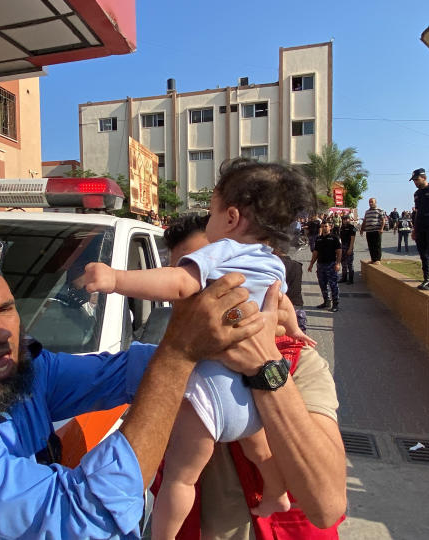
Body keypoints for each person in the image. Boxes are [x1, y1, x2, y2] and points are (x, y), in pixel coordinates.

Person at [0, 235, 304, 538]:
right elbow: (86, 515)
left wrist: (232, 342)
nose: (1, 332)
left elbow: (125, 371)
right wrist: (179, 355)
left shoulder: (21, 373)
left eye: (6, 309)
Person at [81, 159, 319, 538]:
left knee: (180, 476)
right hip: (251, 398)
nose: (207, 221)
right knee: (261, 452)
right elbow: (282, 305)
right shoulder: (273, 263)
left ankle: (162, 536)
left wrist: (115, 279)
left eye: (211, 211)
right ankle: (276, 494)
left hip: (210, 390)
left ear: (232, 217)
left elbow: (178, 283)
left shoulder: (221, 251)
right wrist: (293, 330)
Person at [162, 217, 346, 539]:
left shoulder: (300, 365)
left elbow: (327, 506)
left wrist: (264, 367)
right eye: (187, 283)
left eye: (213, 282)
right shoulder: (168, 363)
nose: (201, 300)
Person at [308, 223, 342, 312]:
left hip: (331, 264)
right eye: (322, 226)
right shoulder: (318, 239)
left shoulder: (334, 238)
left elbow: (339, 252)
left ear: (330, 227)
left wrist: (338, 263)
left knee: (333, 285)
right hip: (320, 265)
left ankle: (335, 304)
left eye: (326, 226)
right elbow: (315, 252)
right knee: (322, 285)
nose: (324, 228)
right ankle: (326, 302)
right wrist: (311, 264)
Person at [360, 198, 386, 263]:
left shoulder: (379, 210)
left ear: (375, 202)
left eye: (372, 202)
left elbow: (383, 220)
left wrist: (382, 228)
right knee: (370, 246)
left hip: (376, 231)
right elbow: (365, 221)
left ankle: (378, 260)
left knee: (377, 245)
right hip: (368, 231)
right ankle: (373, 259)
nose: (370, 203)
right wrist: (362, 229)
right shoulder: (367, 212)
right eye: (369, 202)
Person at [337, 215, 358, 284]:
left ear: (349, 219)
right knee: (343, 263)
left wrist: (350, 248)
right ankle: (344, 278)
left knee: (350, 264)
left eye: (346, 219)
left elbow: (353, 239)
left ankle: (351, 280)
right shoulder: (342, 227)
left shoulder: (352, 227)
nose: (345, 220)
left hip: (349, 246)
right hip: (343, 246)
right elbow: (340, 238)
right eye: (344, 219)